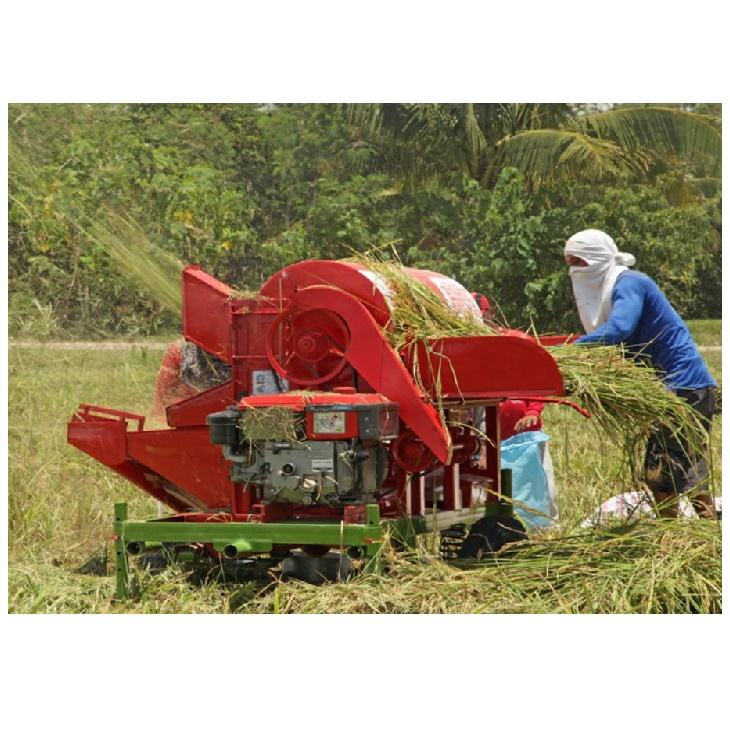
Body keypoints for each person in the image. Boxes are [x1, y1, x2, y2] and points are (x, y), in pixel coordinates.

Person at [564, 229, 717, 517]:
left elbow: (620, 328)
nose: (574, 271)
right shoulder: (612, 288)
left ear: (598, 258)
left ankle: (670, 534)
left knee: (663, 472)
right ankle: (705, 531)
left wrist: (571, 351)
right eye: (570, 263)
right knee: (689, 466)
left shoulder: (630, 283)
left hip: (680, 385)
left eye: (580, 262)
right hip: (678, 387)